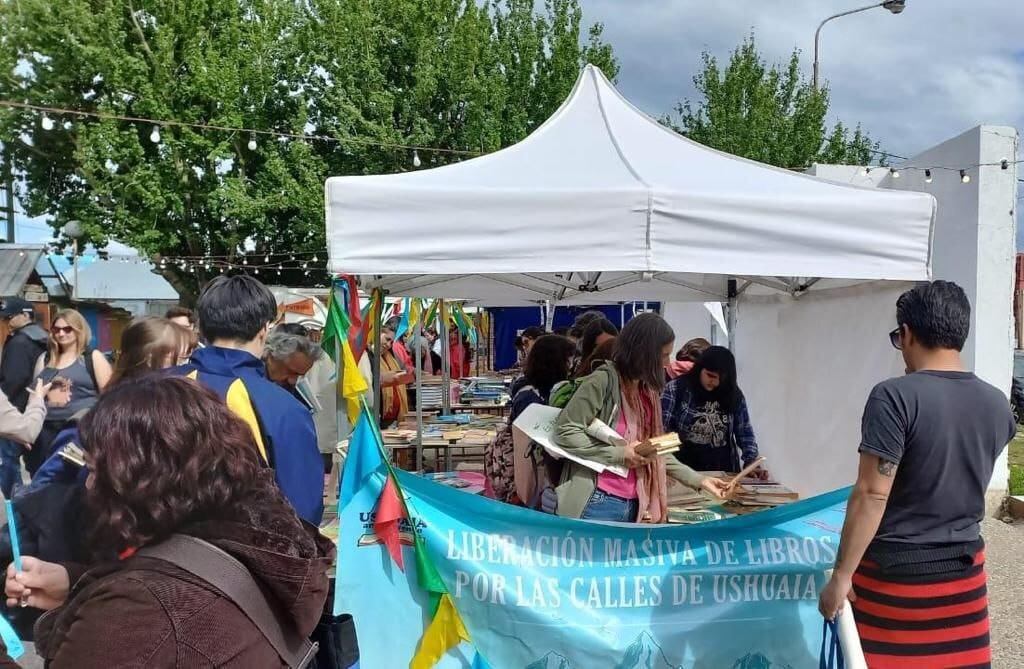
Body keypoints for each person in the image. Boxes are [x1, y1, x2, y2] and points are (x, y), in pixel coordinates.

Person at [5, 376, 333, 667]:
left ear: (138, 481)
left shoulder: (138, 611)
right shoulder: (248, 542)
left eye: (93, 471)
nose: (88, 486)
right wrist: (75, 582)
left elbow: (159, 620)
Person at [819, 281, 1012, 668]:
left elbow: (873, 494)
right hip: (964, 580)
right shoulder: (997, 404)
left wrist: (841, 575)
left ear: (906, 333)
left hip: (896, 583)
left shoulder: (893, 397)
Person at [553, 314, 730, 522]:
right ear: (644, 353)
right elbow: (565, 431)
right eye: (663, 355)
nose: (667, 363)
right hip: (597, 501)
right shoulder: (602, 381)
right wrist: (619, 453)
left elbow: (657, 451)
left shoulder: (647, 391)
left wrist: (700, 480)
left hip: (634, 503)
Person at [179, 275, 324, 525]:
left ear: (200, 326)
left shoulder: (140, 390)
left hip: (147, 554)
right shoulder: (283, 409)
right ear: (265, 330)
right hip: (241, 553)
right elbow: (302, 513)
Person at [485, 335, 576, 504]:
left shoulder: (546, 391)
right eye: (567, 361)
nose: (570, 367)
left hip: (537, 476)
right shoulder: (530, 397)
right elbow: (525, 448)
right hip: (526, 476)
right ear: (554, 362)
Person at [29, 310, 112, 475]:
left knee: (74, 479)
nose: (61, 333)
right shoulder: (45, 359)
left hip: (78, 429)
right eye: (56, 329)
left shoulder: (92, 358)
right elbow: (34, 396)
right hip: (45, 430)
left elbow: (109, 396)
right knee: (43, 479)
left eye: (67, 329)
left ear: (78, 330)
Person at [661, 346, 763, 477]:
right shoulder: (676, 389)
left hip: (724, 473)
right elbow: (660, 431)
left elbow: (745, 433)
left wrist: (751, 462)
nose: (715, 383)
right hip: (684, 473)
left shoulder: (733, 394)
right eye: (710, 376)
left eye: (721, 379)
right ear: (699, 369)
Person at [0, 297, 48, 497]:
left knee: (8, 467)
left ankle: (17, 511)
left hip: (16, 411)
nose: (6, 322)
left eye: (10, 317)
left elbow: (12, 379)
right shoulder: (42, 338)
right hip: (35, 410)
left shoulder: (20, 341)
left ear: (26, 315)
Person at [375, 324, 414, 427]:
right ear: (377, 333)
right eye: (387, 339)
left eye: (391, 342)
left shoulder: (391, 358)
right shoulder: (370, 358)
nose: (388, 344)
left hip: (393, 421)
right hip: (379, 417)